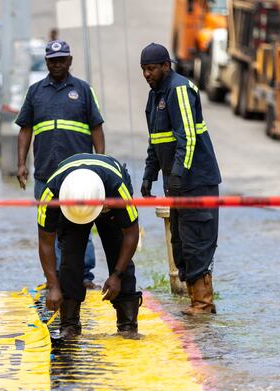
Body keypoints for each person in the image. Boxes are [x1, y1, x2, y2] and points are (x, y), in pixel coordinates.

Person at [140, 43, 221, 315]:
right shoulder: (154, 97)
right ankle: (195, 301)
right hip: (178, 183)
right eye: (143, 70)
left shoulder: (179, 89)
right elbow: (156, 141)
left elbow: (188, 137)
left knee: (196, 239)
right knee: (181, 242)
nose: (147, 74)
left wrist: (177, 175)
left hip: (196, 180)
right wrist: (148, 176)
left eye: (151, 69)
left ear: (166, 65)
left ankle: (203, 303)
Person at [16, 39, 104, 288]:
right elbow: (25, 130)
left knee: (81, 222)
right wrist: (21, 164)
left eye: (61, 60)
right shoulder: (35, 92)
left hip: (79, 175)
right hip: (45, 173)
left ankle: (85, 276)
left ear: (70, 61)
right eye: (52, 60)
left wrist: (99, 163)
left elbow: (96, 128)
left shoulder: (84, 90)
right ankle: (55, 278)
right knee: (48, 227)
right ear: (46, 62)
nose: (57, 64)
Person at [37, 153, 142, 338]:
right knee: (70, 259)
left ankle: (128, 324)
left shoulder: (117, 187)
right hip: (70, 214)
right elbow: (45, 243)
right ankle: (69, 325)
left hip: (109, 205)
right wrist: (53, 285)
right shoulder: (51, 193)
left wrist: (117, 274)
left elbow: (131, 233)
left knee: (118, 250)